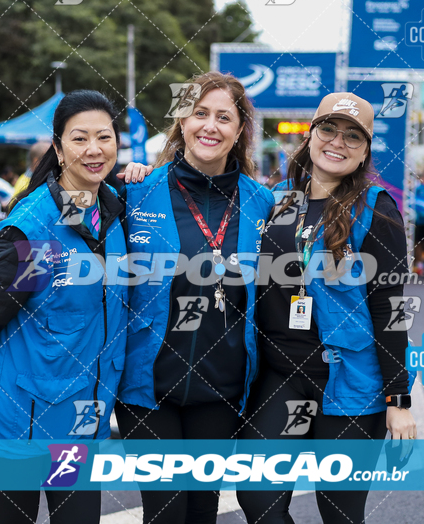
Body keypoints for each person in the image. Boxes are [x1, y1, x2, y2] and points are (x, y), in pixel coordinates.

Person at [0, 90, 128, 524]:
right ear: (59, 149)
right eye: (79, 139)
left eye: (104, 137)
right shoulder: (34, 230)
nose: (94, 149)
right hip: (17, 424)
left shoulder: (114, 213)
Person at [236, 92, 416, 524]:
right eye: (329, 129)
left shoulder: (377, 208)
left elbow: (389, 307)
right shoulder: (275, 201)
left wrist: (399, 399)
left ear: (366, 150)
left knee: (339, 511)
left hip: (351, 385)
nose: (338, 142)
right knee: (258, 499)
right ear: (311, 135)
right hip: (280, 377)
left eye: (353, 136)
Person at [116, 72, 274, 524]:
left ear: (240, 130)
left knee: (203, 510)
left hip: (222, 388)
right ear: (181, 121)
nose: (210, 126)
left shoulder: (263, 203)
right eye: (199, 113)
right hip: (147, 388)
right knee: (164, 513)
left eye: (224, 117)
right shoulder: (135, 192)